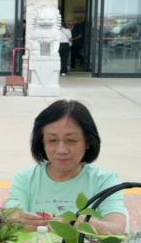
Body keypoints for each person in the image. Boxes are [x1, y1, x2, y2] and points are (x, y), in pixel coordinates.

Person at [8, 100, 127, 235]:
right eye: (52, 140)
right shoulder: (25, 179)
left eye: (71, 140)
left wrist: (76, 222)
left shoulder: (105, 181)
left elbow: (117, 229)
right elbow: (10, 215)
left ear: (88, 141)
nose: (61, 150)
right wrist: (15, 218)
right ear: (42, 143)